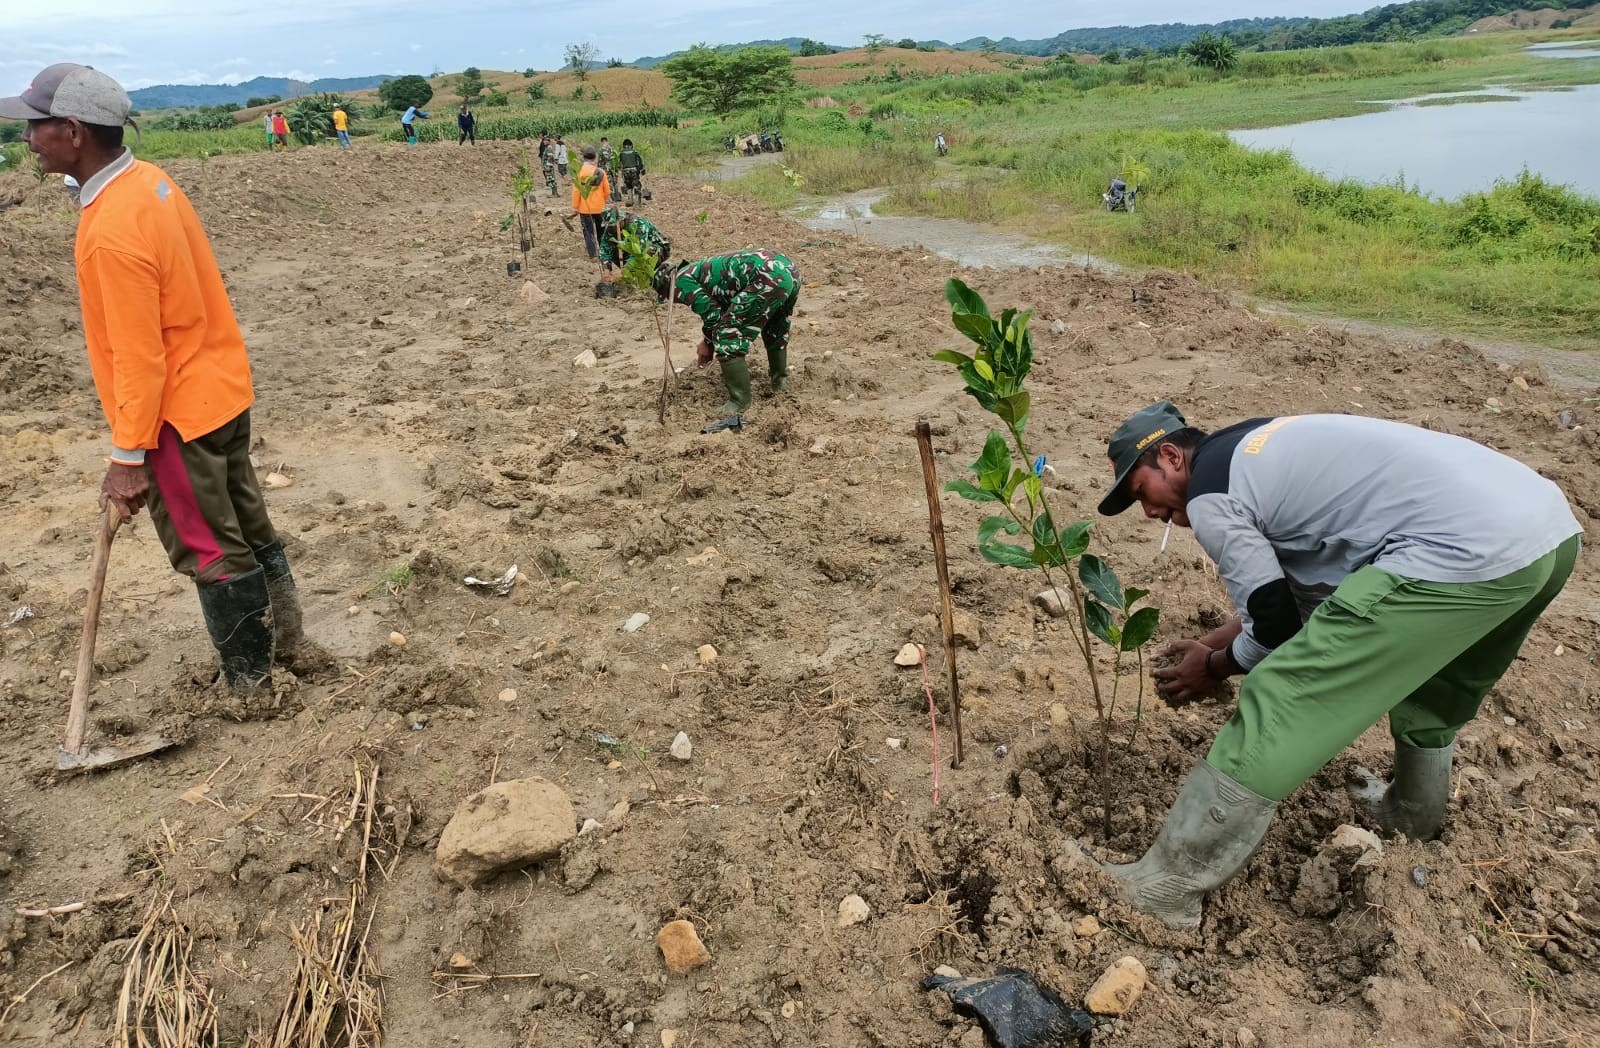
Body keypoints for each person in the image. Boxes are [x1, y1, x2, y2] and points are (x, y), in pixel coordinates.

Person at [1094, 401, 1581, 929]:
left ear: (1170, 455)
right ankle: (1411, 816)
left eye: (1143, 492)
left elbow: (1279, 629)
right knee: (1437, 683)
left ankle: (1164, 889)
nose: (1149, 513)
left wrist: (1214, 666)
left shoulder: (1211, 494)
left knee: (1282, 695)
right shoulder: (1256, 445)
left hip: (1458, 551)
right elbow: (1311, 596)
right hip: (1543, 535)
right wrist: (1227, 637)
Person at [3, 63, 311, 692]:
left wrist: (127, 456)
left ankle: (251, 687)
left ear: (72, 131)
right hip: (220, 391)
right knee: (248, 527)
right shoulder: (152, 183)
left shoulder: (111, 230)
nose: (26, 139)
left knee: (207, 546)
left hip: (176, 417)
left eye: (35, 126)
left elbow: (139, 356)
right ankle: (288, 645)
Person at [651, 250, 800, 422]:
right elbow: (724, 307)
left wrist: (708, 343)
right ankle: (780, 382)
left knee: (727, 335)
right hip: (789, 270)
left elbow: (713, 315)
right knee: (775, 328)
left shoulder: (679, 282)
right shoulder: (695, 270)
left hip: (767, 276)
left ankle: (739, 401)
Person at [596, 203, 670, 283]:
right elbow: (604, 251)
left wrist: (623, 272)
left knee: (647, 251)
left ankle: (641, 276)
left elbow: (639, 251)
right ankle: (630, 276)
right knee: (614, 249)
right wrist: (607, 272)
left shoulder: (637, 224)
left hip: (657, 248)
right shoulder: (610, 230)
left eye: (613, 226)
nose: (611, 229)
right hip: (632, 250)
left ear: (621, 220)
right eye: (609, 227)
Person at [569, 146, 611, 261]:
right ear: (595, 158)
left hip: (585, 208)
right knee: (601, 231)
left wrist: (575, 207)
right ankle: (603, 252)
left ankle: (593, 254)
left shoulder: (580, 173)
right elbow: (607, 191)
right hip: (599, 208)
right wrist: (603, 200)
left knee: (588, 232)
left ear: (583, 158)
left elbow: (576, 191)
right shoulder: (601, 172)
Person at [617, 137, 646, 202]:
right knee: (636, 184)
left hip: (625, 171)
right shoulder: (635, 152)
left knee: (628, 185)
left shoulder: (621, 153)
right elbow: (640, 163)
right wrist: (640, 171)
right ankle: (637, 200)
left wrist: (621, 171)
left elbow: (619, 164)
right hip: (634, 171)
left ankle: (630, 199)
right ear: (631, 145)